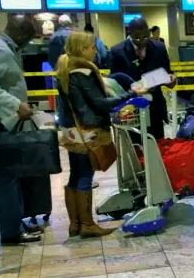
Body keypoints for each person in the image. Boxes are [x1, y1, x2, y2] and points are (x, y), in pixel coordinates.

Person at [56, 32, 146, 238]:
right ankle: (87, 225)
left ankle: (76, 224)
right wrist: (132, 94)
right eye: (91, 47)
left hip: (72, 131)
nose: (96, 51)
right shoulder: (82, 72)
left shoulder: (65, 70)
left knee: (75, 175)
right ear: (81, 49)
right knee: (85, 176)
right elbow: (100, 103)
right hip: (88, 131)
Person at [0, 15, 42, 246]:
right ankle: (11, 232)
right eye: (29, 39)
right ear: (21, 33)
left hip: (0, 121)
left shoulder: (3, 46)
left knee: (11, 175)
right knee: (5, 177)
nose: (28, 44)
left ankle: (14, 223)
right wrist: (15, 103)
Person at [109, 18, 176, 140]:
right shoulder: (117, 51)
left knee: (157, 146)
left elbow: (167, 72)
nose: (143, 41)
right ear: (130, 34)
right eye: (138, 38)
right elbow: (114, 81)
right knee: (135, 148)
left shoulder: (159, 48)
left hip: (155, 106)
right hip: (130, 110)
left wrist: (171, 80)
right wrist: (134, 88)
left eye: (146, 36)